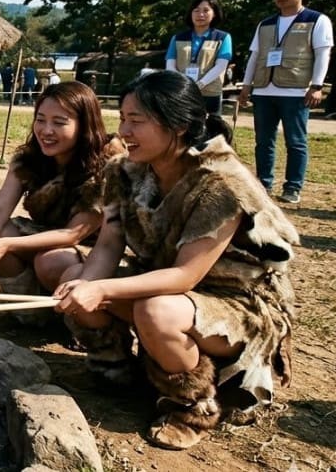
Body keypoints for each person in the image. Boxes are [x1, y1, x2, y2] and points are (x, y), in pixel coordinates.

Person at [54, 71, 297, 450]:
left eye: (137, 121)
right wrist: (88, 287)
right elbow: (106, 246)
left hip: (237, 304)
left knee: (155, 311)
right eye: (122, 118)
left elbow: (185, 275)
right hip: (167, 288)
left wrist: (101, 288)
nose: (124, 132)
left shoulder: (223, 184)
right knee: (75, 275)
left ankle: (193, 406)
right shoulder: (123, 171)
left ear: (179, 126)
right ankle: (117, 371)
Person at [0, 81, 124, 322]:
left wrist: (7, 245)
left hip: (90, 249)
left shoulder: (107, 163)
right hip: (45, 234)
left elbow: (72, 234)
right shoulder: (29, 157)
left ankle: (70, 320)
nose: (46, 130)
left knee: (49, 261)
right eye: (40, 120)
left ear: (85, 125)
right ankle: (29, 315)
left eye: (59, 122)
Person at [238, 0, 333, 204]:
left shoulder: (316, 20)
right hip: (264, 90)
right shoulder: (266, 23)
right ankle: (263, 184)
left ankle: (292, 186)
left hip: (296, 90)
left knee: (296, 141)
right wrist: (247, 85)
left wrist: (317, 85)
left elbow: (323, 54)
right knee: (263, 141)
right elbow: (255, 56)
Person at [165, 0, 233, 115]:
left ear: (214, 14)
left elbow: (221, 66)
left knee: (211, 131)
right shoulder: (177, 38)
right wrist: (185, 85)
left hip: (210, 93)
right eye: (196, 10)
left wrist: (200, 84)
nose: (200, 14)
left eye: (206, 10)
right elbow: (170, 66)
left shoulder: (223, 38)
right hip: (183, 93)